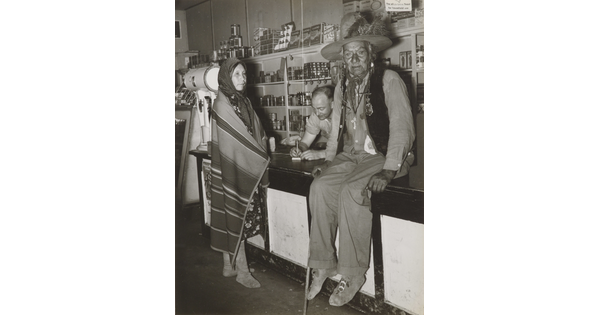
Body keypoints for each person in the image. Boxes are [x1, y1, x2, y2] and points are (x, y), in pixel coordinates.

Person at [306, 12, 415, 306]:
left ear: (371, 56)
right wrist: (329, 160)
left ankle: (353, 273)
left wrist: (390, 170)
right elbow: (337, 128)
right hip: (351, 155)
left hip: (381, 155)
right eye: (348, 53)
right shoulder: (342, 85)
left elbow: (403, 127)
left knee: (352, 193)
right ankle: (323, 263)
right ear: (342, 58)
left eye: (360, 52)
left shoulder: (388, 80)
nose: (354, 58)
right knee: (319, 188)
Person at [209, 57, 270, 289]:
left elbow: (254, 130)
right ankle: (243, 272)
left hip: (238, 165)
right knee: (237, 216)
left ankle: (229, 265)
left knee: (231, 214)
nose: (243, 79)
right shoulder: (223, 104)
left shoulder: (241, 101)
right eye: (237, 75)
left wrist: (263, 143)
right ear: (226, 76)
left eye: (244, 74)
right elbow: (235, 140)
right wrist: (259, 154)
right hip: (232, 167)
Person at [298, 85, 334, 160]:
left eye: (321, 108)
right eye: (314, 109)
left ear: (332, 104)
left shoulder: (345, 116)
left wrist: (321, 154)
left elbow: (348, 149)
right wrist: (299, 149)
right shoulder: (316, 116)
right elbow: (305, 142)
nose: (317, 113)